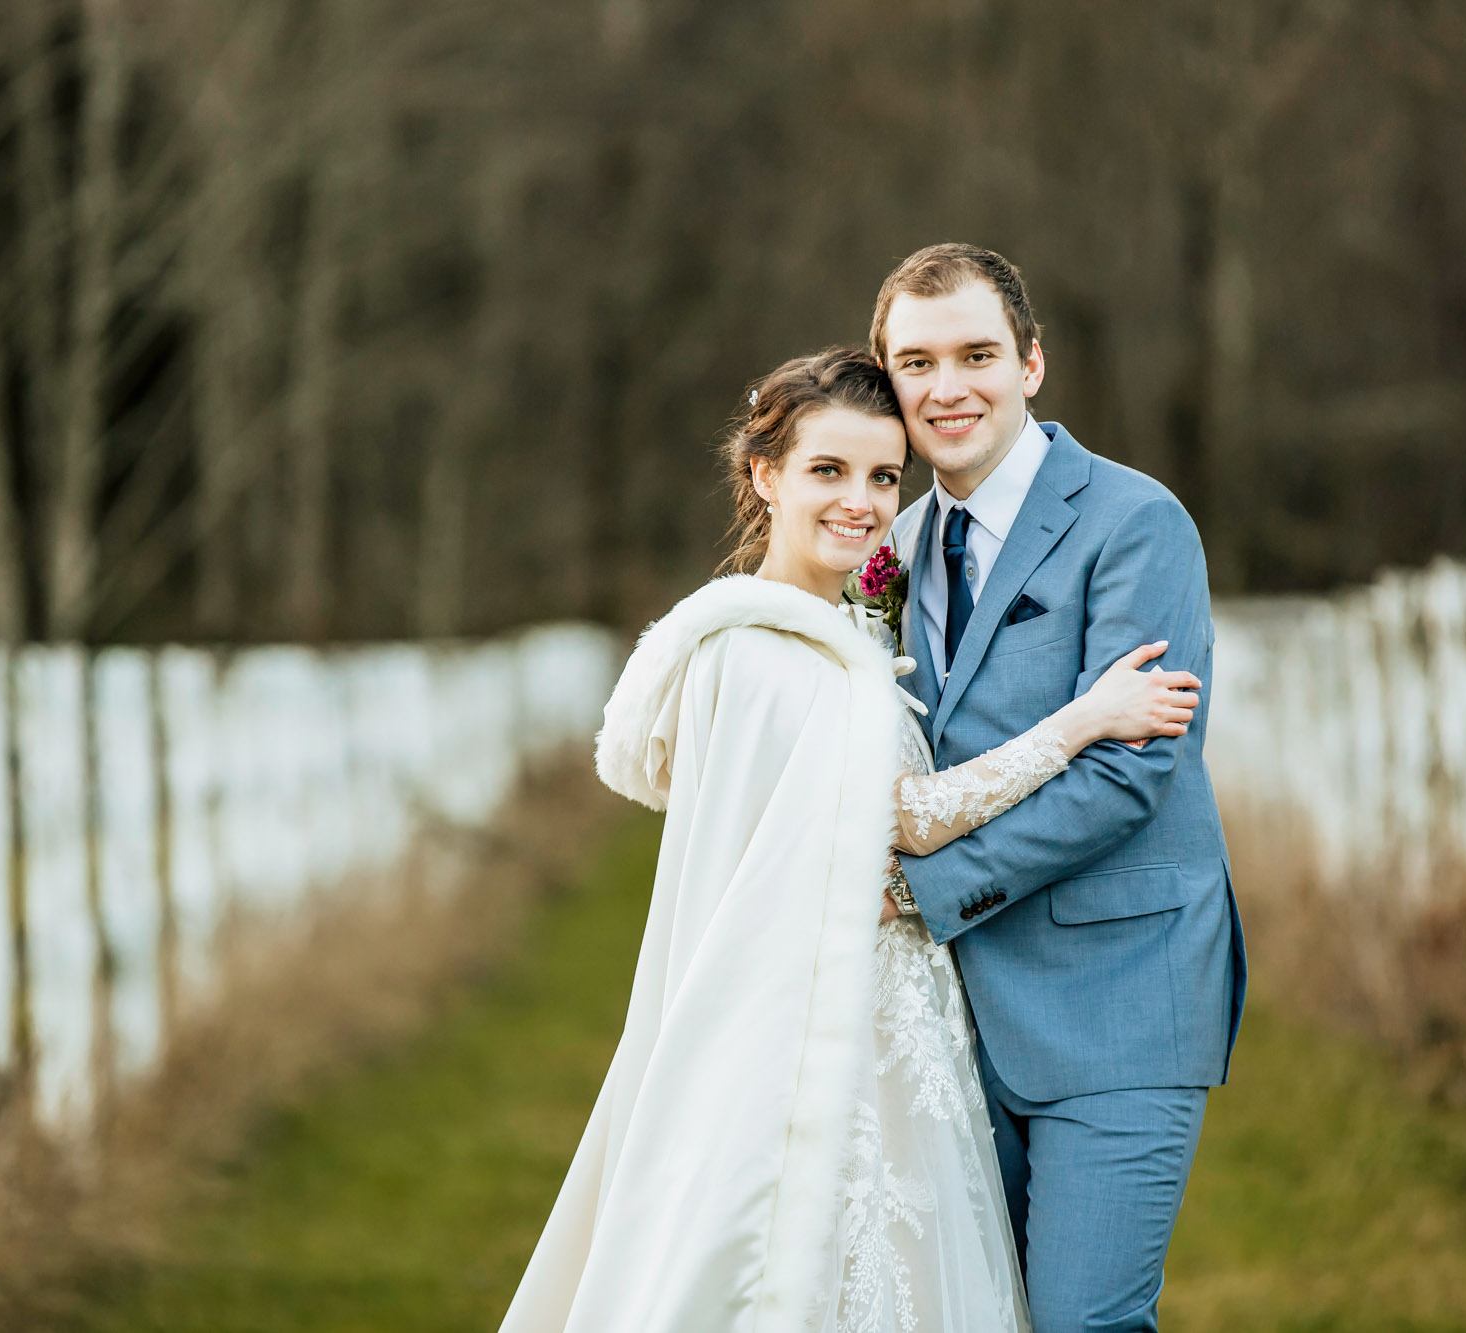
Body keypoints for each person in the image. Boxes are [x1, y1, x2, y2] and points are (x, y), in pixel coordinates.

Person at [498, 346, 1202, 1332]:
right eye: (827, 471)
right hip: (827, 1020)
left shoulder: (837, 631)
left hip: (900, 1016)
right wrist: (1082, 720)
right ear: (764, 472)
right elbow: (901, 814)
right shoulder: (759, 651)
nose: (862, 503)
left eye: (882, 476)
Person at [878, 244, 1247, 1333]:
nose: (947, 388)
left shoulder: (1134, 523)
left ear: (1031, 364)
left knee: (1084, 1321)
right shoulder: (891, 550)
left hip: (1121, 992)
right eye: (916, 363)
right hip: (957, 1019)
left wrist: (925, 890)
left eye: (976, 354)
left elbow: (1129, 774)